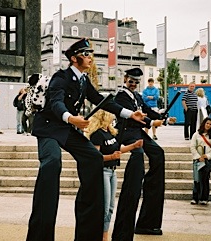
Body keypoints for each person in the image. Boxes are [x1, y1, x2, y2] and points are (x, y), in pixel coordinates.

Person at [26, 38, 146, 241]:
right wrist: (71, 118)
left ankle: (88, 234)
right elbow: (55, 102)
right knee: (52, 163)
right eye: (86, 53)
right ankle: (40, 235)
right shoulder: (61, 78)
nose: (91, 57)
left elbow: (100, 100)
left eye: (91, 53)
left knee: (93, 158)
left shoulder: (83, 80)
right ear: (74, 59)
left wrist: (129, 113)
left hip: (66, 128)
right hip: (48, 127)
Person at [112, 67, 176, 240]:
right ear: (125, 79)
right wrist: (151, 121)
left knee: (158, 154)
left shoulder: (138, 96)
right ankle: (124, 227)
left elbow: (149, 110)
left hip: (139, 132)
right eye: (131, 81)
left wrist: (164, 118)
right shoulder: (121, 96)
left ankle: (148, 221)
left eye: (136, 82)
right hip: (127, 132)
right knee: (138, 158)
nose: (133, 84)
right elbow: (138, 116)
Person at [85, 109, 143, 241]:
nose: (113, 119)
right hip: (103, 171)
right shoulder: (97, 134)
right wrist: (111, 156)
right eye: (111, 116)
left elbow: (117, 149)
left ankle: (105, 233)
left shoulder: (110, 132)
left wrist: (133, 146)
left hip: (112, 171)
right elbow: (95, 157)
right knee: (104, 207)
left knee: (111, 206)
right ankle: (101, 235)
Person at [190, 117, 211, 205]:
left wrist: (208, 156)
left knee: (205, 178)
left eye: (210, 124)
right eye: (207, 123)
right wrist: (198, 157)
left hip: (208, 160)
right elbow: (192, 146)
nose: (208, 125)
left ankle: (204, 198)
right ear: (204, 124)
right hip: (198, 159)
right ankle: (195, 197)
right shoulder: (196, 134)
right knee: (197, 178)